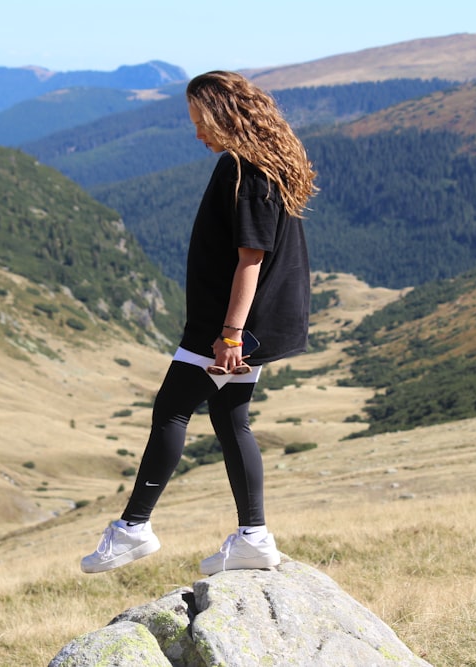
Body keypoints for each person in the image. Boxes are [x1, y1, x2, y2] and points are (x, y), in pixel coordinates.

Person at [81, 70, 317, 575]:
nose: (196, 132)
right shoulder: (268, 163)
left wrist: (230, 335)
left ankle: (133, 528)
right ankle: (253, 536)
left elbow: (251, 258)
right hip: (253, 327)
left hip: (228, 329)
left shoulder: (243, 168)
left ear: (225, 115)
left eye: (199, 120)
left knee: (171, 411)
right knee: (232, 421)